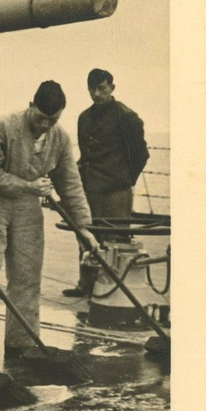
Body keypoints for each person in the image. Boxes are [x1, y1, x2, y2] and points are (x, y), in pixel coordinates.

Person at [0, 81, 98, 379]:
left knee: (28, 276)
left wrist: (85, 229)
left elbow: (70, 184)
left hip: (27, 208)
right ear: (30, 105)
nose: (45, 125)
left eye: (52, 119)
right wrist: (29, 186)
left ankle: (21, 345)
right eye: (40, 117)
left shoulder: (59, 139)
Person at [64, 68, 149, 297]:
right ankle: (85, 285)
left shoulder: (127, 117)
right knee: (86, 236)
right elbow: (85, 154)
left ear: (112, 87)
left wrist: (123, 180)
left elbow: (141, 155)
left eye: (102, 88)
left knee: (114, 242)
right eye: (92, 89)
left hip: (115, 194)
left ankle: (111, 290)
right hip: (90, 190)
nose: (97, 94)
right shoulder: (84, 117)